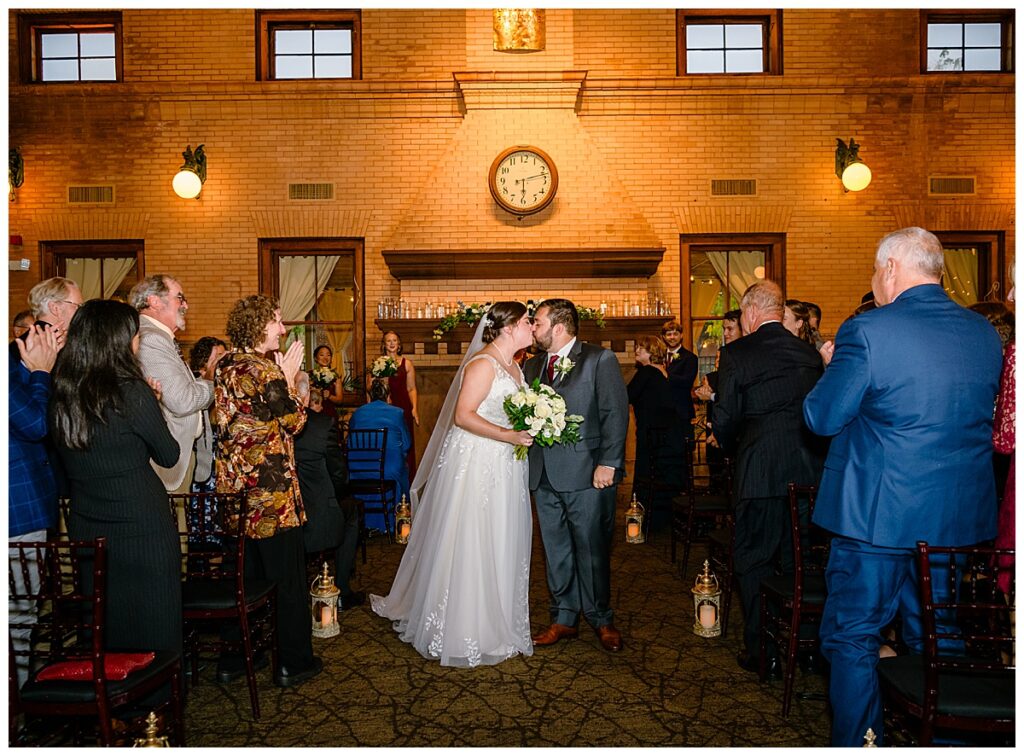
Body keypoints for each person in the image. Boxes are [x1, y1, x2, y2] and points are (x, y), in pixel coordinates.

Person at [803, 227, 1003, 746]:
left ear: (891, 268)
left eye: (875, 271)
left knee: (852, 637)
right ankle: (948, 739)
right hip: (953, 523)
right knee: (940, 638)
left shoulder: (867, 331)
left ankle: (862, 743)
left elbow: (822, 418)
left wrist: (830, 370)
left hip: (877, 518)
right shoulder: (983, 333)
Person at [371, 301, 536, 667]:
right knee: (474, 536)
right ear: (508, 328)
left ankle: (499, 621)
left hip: (505, 464)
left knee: (500, 535)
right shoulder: (483, 364)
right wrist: (508, 435)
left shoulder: (514, 365)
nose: (531, 326)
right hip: (479, 461)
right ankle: (466, 626)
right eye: (527, 321)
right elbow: (463, 416)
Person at [49, 300, 182, 655]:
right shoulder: (131, 391)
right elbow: (168, 454)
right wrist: (153, 406)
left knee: (105, 621)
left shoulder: (61, 391)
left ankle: (111, 700)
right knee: (153, 619)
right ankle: (153, 705)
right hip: (141, 525)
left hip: (87, 526)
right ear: (119, 341)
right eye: (135, 336)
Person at [711, 280, 826, 674]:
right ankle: (804, 646)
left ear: (750, 312)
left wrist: (732, 449)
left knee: (753, 560)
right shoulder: (808, 354)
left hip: (759, 472)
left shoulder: (736, 353)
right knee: (800, 562)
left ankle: (764, 652)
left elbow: (725, 418)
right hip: (809, 473)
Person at [212, 294, 322, 688]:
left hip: (237, 493)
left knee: (243, 578)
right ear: (259, 326)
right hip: (271, 497)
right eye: (277, 321)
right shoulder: (264, 370)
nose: (283, 328)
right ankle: (293, 662)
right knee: (287, 581)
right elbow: (294, 422)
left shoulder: (224, 365)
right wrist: (291, 380)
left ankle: (237, 658)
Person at [525, 298, 630, 653]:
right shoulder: (533, 365)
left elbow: (615, 413)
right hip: (543, 475)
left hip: (589, 474)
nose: (533, 329)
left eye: (537, 323)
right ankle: (564, 617)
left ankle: (601, 618)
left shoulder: (600, 359)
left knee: (592, 550)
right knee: (555, 551)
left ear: (558, 326)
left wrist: (610, 463)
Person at [130, 275, 215, 494]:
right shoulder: (151, 339)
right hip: (165, 460)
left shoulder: (160, 337)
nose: (185, 305)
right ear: (155, 301)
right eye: (180, 297)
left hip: (177, 454)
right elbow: (182, 400)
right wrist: (212, 381)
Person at [9, 323, 60, 686]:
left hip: (22, 508)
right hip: (15, 509)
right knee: (17, 619)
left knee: (22, 617)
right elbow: (36, 423)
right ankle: (13, 719)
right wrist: (41, 373)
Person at [294, 372, 364, 611]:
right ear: (305, 397)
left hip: (288, 514)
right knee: (352, 511)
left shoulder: (272, 425)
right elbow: (339, 474)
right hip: (319, 517)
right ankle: (342, 590)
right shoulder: (323, 425)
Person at [628, 335, 686, 527]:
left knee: (647, 475)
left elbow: (627, 395)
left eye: (641, 348)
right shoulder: (663, 372)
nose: (637, 351)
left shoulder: (646, 373)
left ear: (651, 353)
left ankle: (646, 520)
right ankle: (663, 519)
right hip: (667, 436)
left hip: (652, 436)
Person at [348, 379, 411, 534]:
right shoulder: (397, 413)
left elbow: (350, 439)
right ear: (388, 396)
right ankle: (398, 524)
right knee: (403, 469)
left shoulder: (358, 413)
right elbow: (407, 443)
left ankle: (366, 522)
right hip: (388, 470)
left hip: (358, 470)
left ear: (369, 397)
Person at [188, 336, 228, 492]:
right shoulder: (194, 391)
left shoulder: (229, 391)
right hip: (201, 472)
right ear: (202, 366)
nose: (223, 364)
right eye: (218, 358)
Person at [382, 331, 419, 478]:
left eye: (394, 340)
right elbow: (371, 388)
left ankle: (408, 481)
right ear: (384, 344)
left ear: (399, 344)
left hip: (403, 406)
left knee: (405, 442)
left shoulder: (407, 363)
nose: (391, 343)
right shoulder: (378, 363)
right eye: (388, 341)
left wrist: (415, 408)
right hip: (386, 408)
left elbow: (411, 388)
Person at [660, 319, 698, 440]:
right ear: (664, 337)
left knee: (683, 450)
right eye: (668, 334)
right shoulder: (658, 357)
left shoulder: (690, 358)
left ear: (681, 335)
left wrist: (666, 374)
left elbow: (687, 382)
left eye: (675, 334)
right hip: (662, 411)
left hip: (681, 411)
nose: (672, 337)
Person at [311, 344, 345, 419]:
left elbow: (340, 400)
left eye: (328, 355)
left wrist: (329, 396)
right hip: (313, 414)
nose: (325, 358)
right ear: (316, 358)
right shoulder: (310, 375)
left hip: (330, 414)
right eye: (322, 355)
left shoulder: (335, 376)